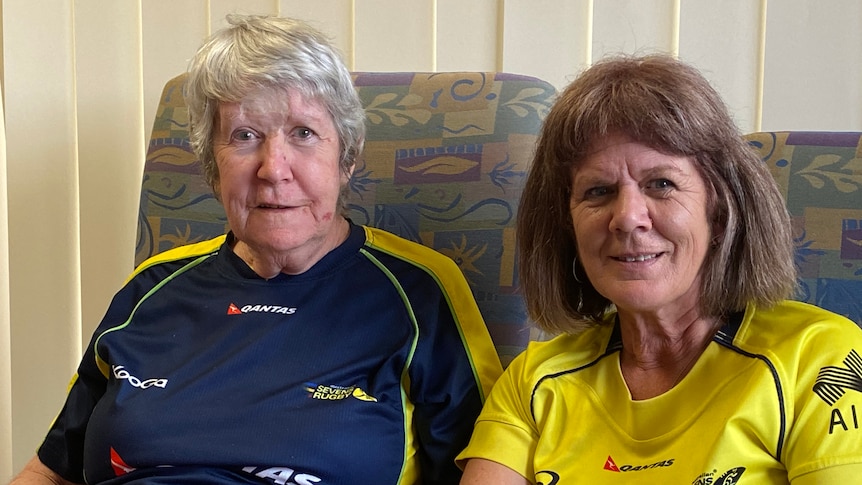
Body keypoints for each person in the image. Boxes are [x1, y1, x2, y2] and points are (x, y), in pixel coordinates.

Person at [11, 14, 502, 485]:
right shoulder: (152, 287)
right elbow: (52, 469)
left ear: (346, 157)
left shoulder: (418, 291)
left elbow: (486, 469)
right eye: (245, 136)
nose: (273, 168)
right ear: (213, 165)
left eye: (303, 133)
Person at [457, 54, 862, 484]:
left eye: (661, 184)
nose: (627, 217)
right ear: (567, 224)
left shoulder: (819, 358)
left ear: (721, 208)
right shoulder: (535, 380)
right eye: (599, 191)